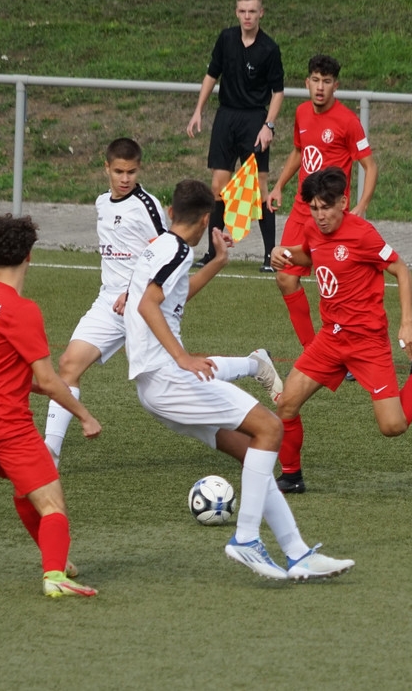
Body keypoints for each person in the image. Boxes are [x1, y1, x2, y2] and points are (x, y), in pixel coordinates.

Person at [124, 178, 351, 581]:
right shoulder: (178, 250)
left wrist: (217, 261)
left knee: (253, 454)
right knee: (271, 427)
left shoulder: (159, 246)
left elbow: (168, 297)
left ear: (171, 213)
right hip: (168, 379)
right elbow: (147, 304)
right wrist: (182, 357)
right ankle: (246, 538)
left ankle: (297, 553)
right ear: (206, 220)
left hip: (155, 387)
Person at [270, 168, 412, 494]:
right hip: (330, 338)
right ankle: (292, 476)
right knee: (286, 405)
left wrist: (407, 323)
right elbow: (308, 254)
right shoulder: (312, 228)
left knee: (393, 426)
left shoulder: (363, 234)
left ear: (343, 202)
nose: (320, 216)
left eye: (327, 207)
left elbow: (401, 270)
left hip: (367, 342)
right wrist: (282, 253)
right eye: (314, 208)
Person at [0, 214, 101, 598]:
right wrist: (85, 416)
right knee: (52, 504)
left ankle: (56, 559)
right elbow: (50, 380)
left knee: (27, 492)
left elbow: (5, 371)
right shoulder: (22, 310)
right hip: (4, 425)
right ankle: (55, 577)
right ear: (30, 255)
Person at [42, 138, 167, 468]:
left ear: (139, 169)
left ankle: (251, 365)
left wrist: (134, 290)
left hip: (143, 304)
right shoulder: (101, 203)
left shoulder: (146, 205)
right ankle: (49, 454)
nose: (125, 179)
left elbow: (167, 255)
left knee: (171, 383)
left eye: (132, 172)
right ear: (106, 168)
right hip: (108, 303)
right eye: (119, 171)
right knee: (69, 364)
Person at [267, 54, 377, 350]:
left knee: (337, 287)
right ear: (307, 82)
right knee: (285, 277)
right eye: (315, 80)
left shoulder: (348, 121)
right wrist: (279, 185)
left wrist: (361, 206)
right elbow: (299, 151)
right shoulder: (302, 112)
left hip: (332, 218)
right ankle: (313, 351)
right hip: (301, 212)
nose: (320, 87)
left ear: (335, 86)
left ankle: (351, 350)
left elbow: (370, 166)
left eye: (326, 81)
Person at [186, 0, 283, 271]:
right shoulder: (226, 38)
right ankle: (213, 251)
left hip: (254, 120)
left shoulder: (269, 48)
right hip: (226, 117)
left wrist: (268, 126)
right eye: (242, 11)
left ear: (261, 13)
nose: (247, 16)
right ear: (236, 12)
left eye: (252, 11)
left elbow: (278, 92)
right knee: (218, 186)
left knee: (259, 188)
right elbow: (211, 75)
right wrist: (198, 110)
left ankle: (270, 256)